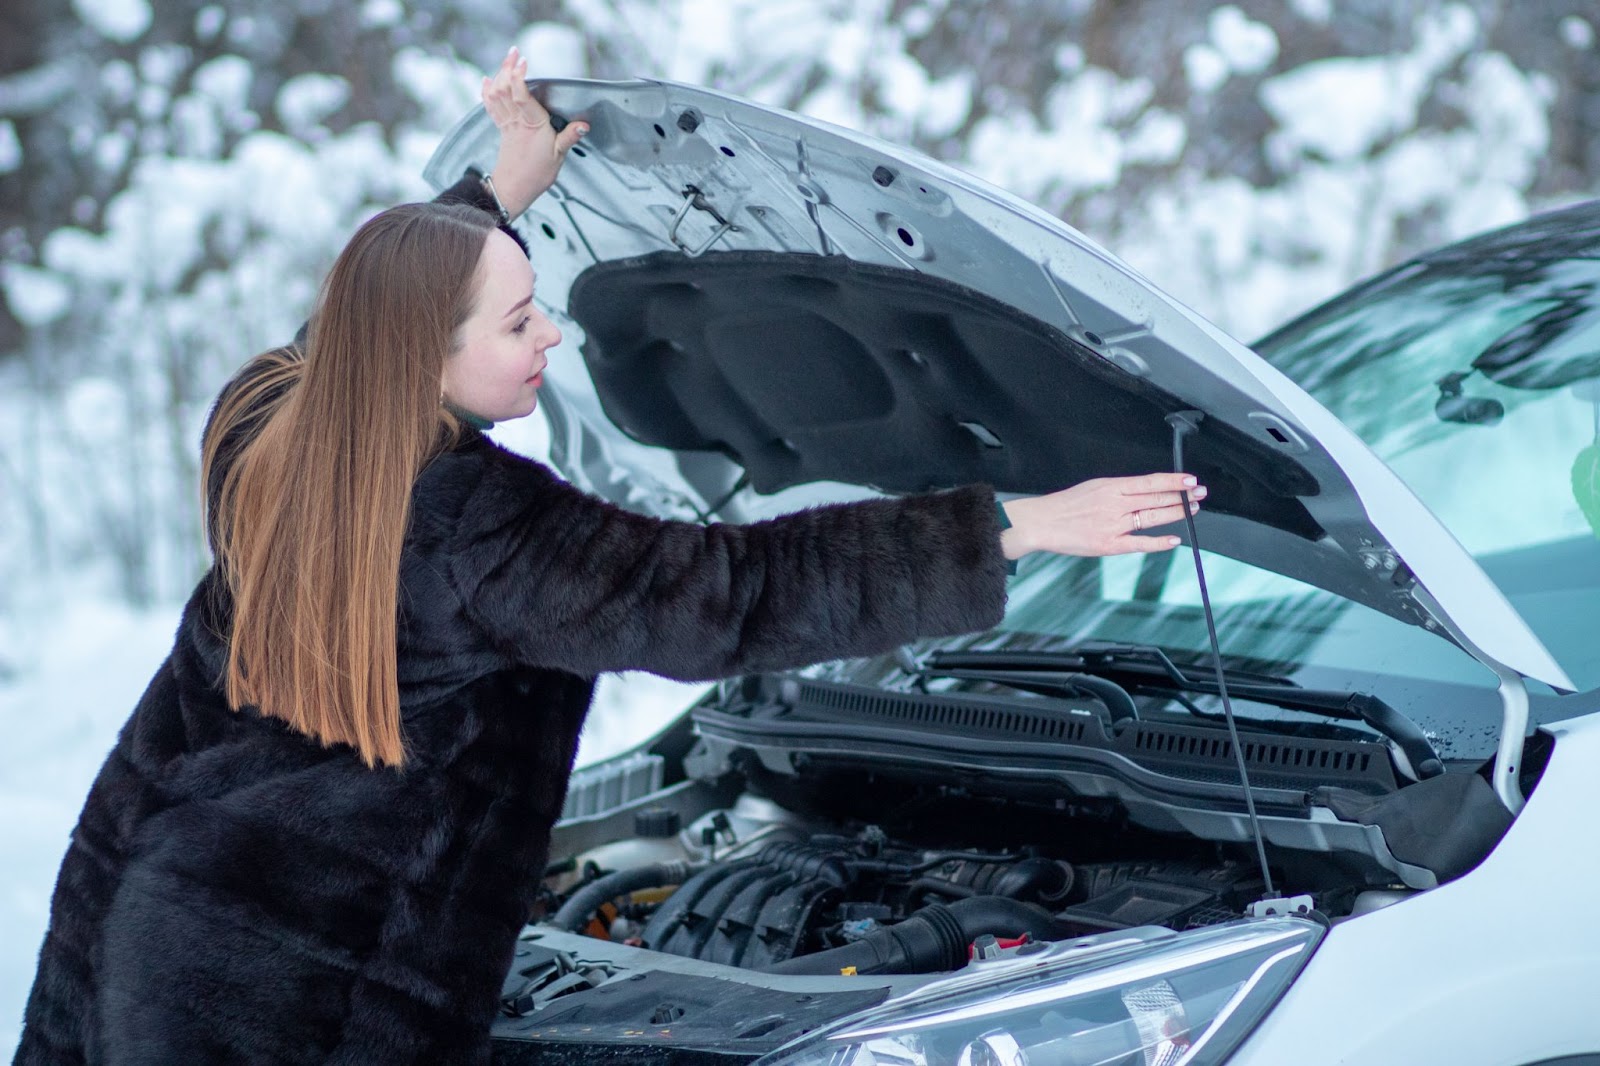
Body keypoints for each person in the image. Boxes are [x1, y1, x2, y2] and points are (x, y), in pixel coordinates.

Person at [13, 47, 1206, 1065]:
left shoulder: (273, 429)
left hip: (161, 931)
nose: (555, 330)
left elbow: (368, 318)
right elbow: (734, 597)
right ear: (424, 355)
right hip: (311, 1002)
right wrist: (1010, 524)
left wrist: (490, 199)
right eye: (520, 320)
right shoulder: (479, 526)